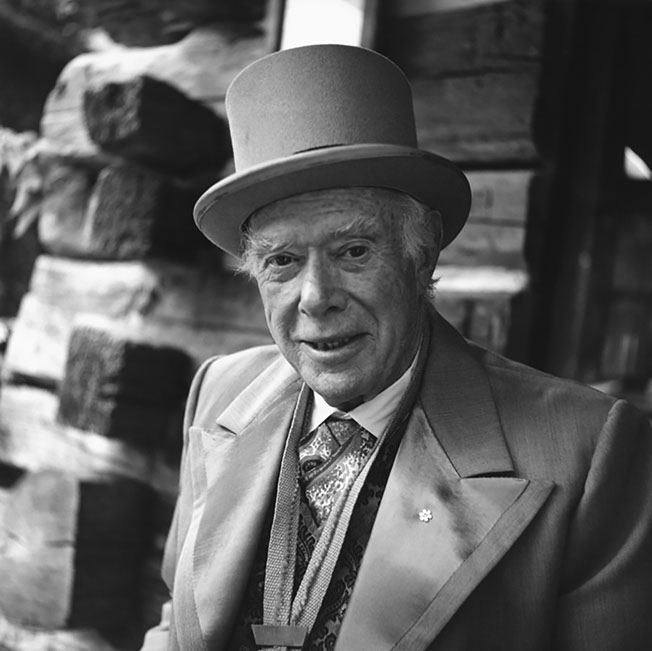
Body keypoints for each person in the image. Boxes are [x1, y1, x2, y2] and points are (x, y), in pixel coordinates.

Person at [141, 45, 652, 651]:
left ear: (423, 253)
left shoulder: (591, 452)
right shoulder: (218, 392)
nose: (316, 298)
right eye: (282, 261)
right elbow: (177, 622)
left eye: (353, 251)